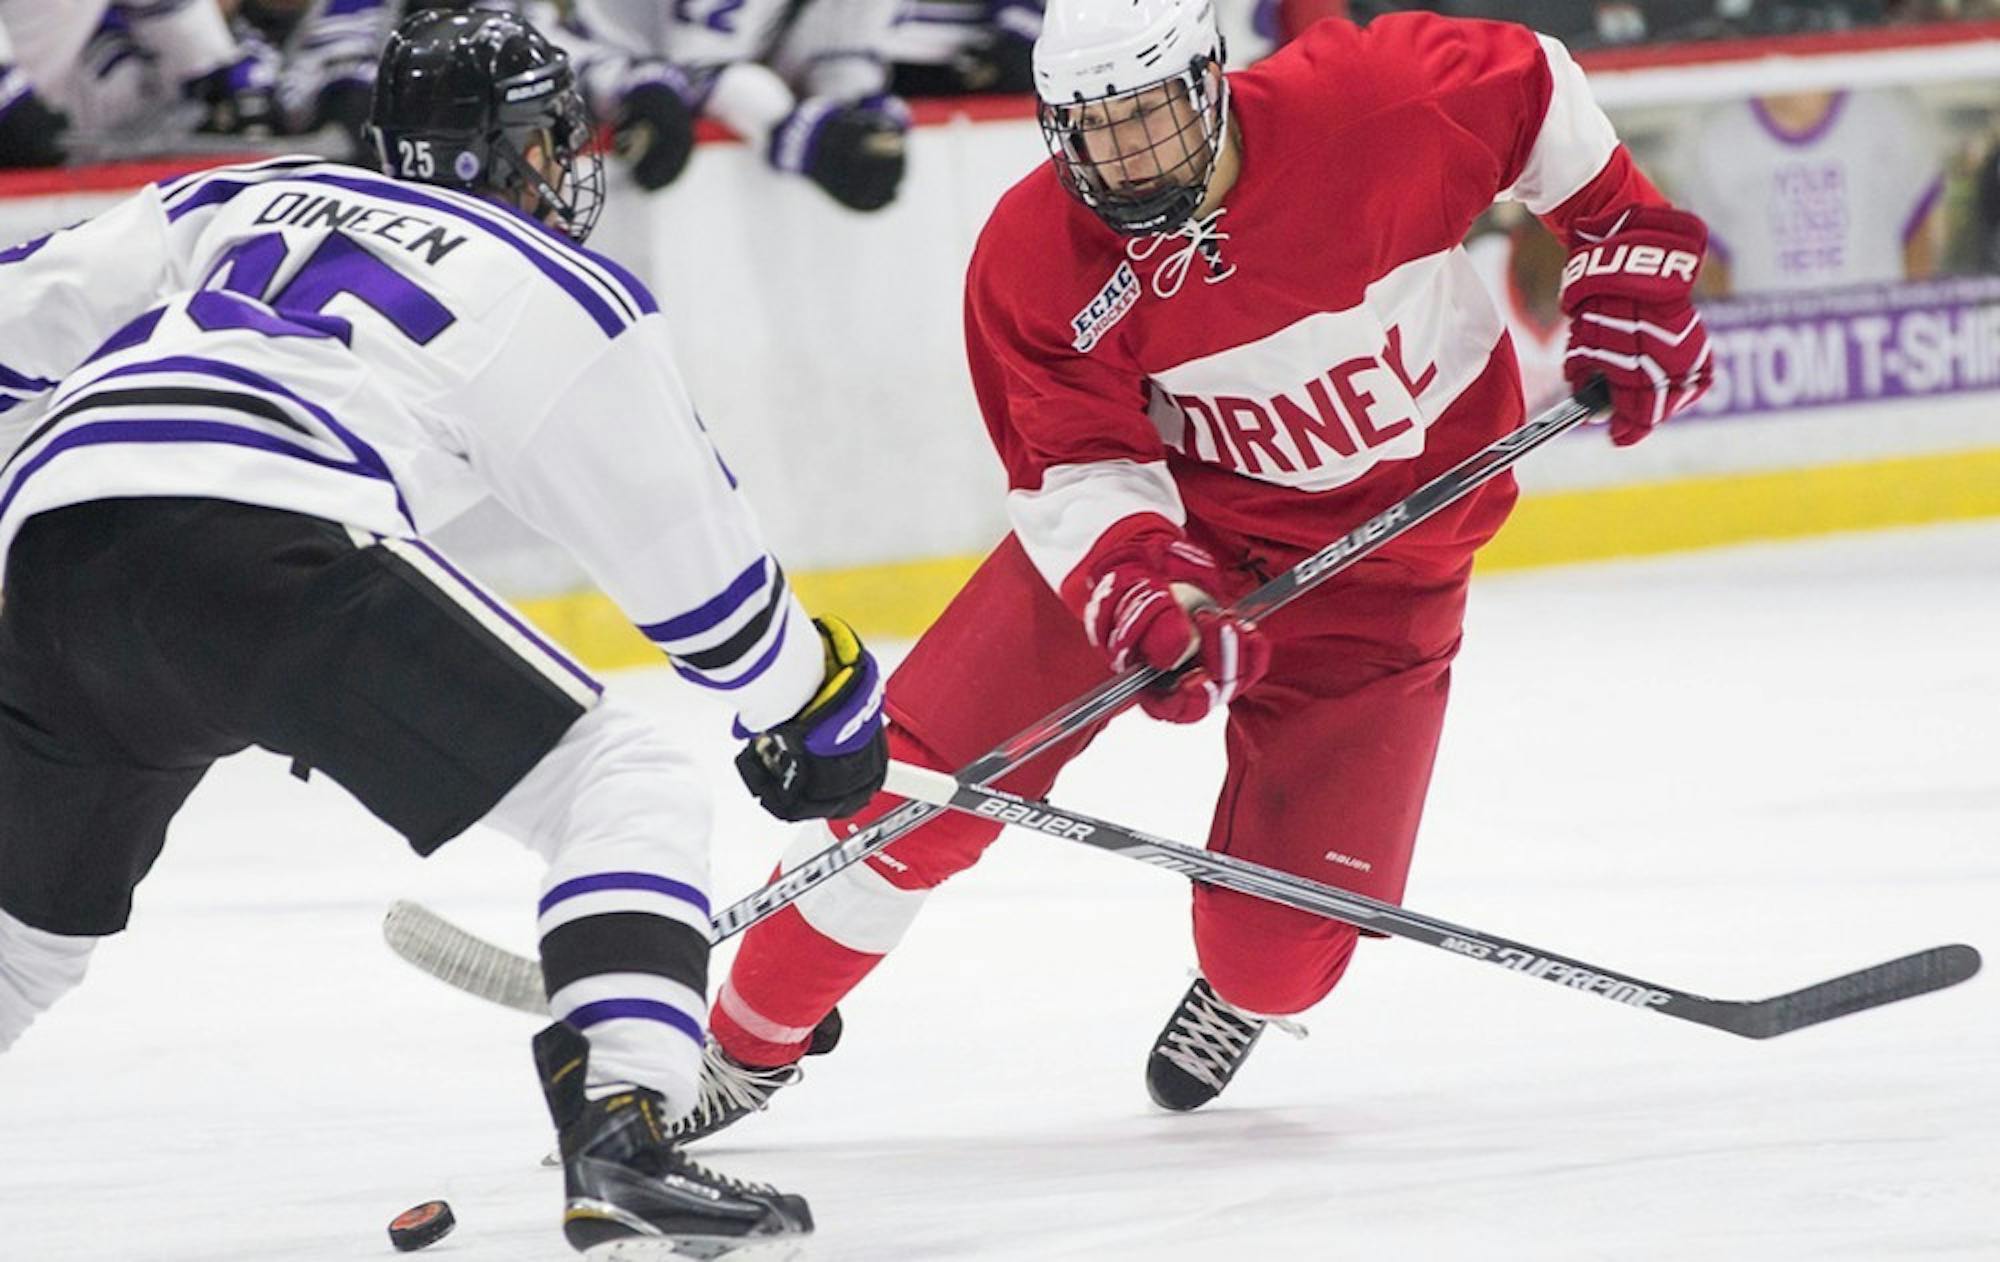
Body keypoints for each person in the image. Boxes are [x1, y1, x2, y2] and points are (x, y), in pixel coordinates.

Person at [670, 0, 1713, 1134]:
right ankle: (741, 1044)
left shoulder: (1371, 106)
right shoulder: (1037, 254)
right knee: (913, 793)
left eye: (1149, 118)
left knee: (1280, 951)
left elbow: (1536, 89)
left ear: (1209, 82)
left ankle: (1242, 988)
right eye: (1089, 130)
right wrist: (1140, 589)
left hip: (1386, 572)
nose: (1121, 158)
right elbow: (1072, 463)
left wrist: (1624, 244)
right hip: (1177, 537)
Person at [0, 8, 887, 1258]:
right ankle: (623, 1125)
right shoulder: (552, 282)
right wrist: (816, 699)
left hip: (52, 549)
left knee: (22, 941)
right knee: (620, 783)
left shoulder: (248, 192)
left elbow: (16, 315)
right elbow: (714, 605)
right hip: (271, 544)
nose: (565, 167)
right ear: (519, 149)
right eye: (550, 141)